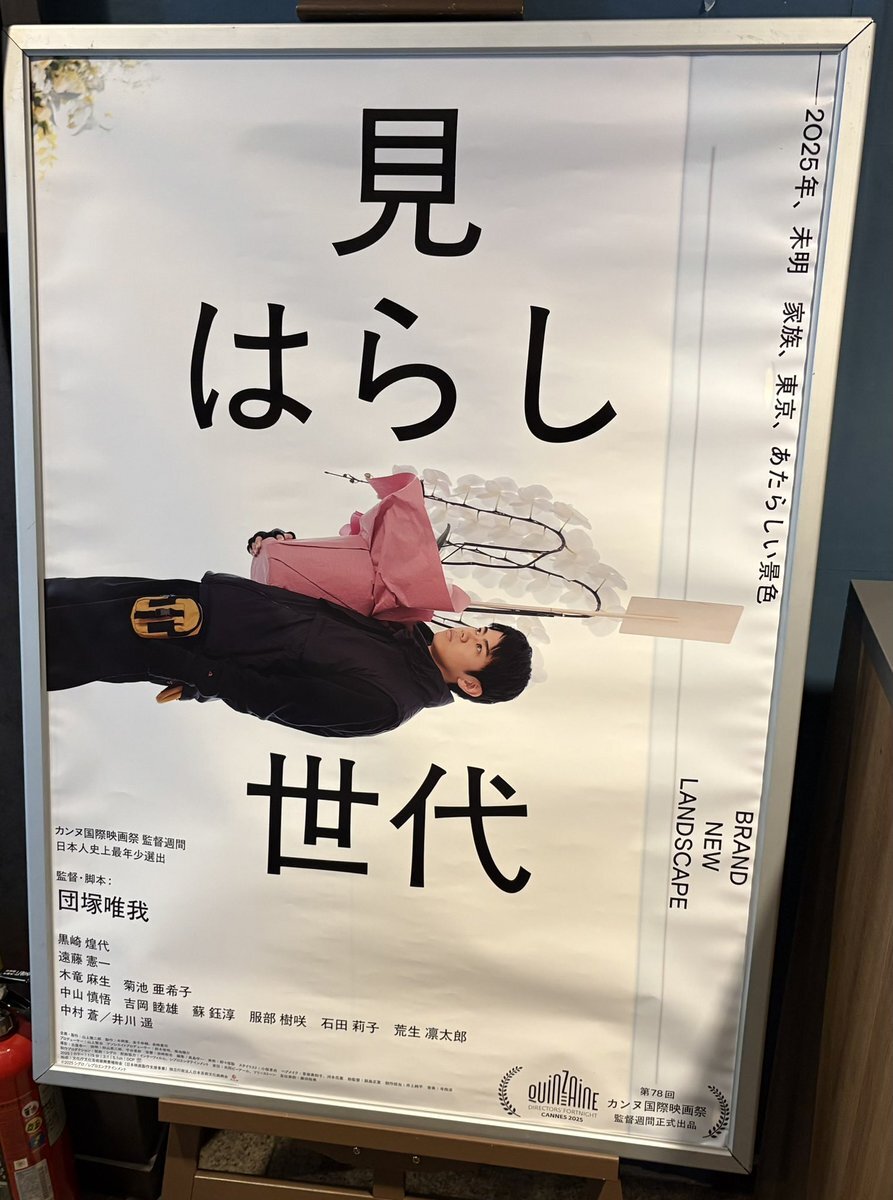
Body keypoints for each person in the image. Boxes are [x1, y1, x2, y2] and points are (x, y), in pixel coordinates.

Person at [44, 573, 532, 738]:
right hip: (197, 600)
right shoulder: (403, 632)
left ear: (471, 684)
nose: (467, 635)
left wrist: (181, 667)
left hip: (180, 638)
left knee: (49, 642)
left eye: (480, 647)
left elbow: (268, 696)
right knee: (53, 597)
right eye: (480, 630)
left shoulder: (387, 704)